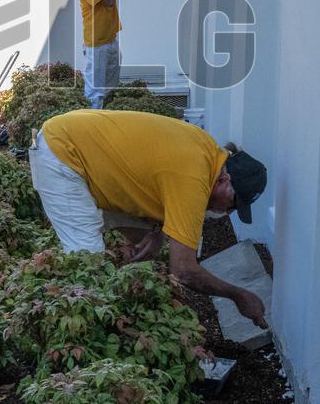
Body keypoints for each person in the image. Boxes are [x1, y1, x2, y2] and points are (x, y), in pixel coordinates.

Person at [30, 109, 269, 327]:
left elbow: (155, 178)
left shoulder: (208, 153)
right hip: (63, 154)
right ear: (225, 180)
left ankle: (123, 301)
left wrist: (156, 231)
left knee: (144, 242)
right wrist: (238, 295)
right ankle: (86, 328)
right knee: (87, 263)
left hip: (81, 148)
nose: (228, 212)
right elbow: (183, 271)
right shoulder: (194, 180)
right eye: (233, 203)